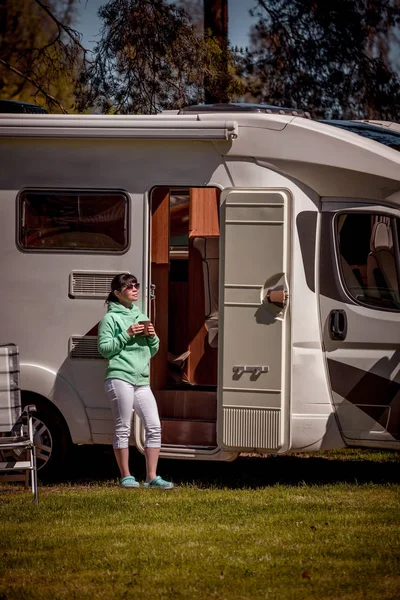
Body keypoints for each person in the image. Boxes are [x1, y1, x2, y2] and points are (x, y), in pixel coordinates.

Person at [98, 273, 173, 489]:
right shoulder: (110, 319)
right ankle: (126, 476)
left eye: (136, 285)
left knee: (154, 426)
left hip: (141, 379)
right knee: (123, 426)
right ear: (117, 293)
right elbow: (104, 350)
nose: (134, 288)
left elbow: (153, 350)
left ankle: (151, 477)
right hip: (119, 376)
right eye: (129, 286)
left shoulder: (141, 315)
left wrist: (152, 336)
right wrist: (127, 334)